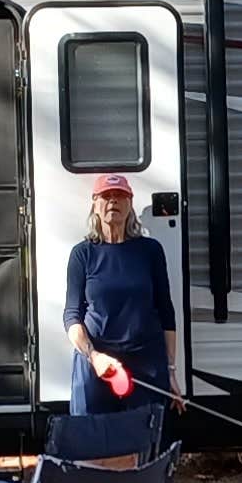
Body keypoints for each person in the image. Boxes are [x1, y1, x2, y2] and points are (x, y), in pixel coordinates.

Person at [62, 173, 178, 418]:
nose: (113, 201)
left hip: (146, 361)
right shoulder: (82, 254)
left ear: (130, 204)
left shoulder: (150, 250)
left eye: (120, 196)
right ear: (95, 203)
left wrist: (170, 372)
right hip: (98, 361)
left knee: (144, 442)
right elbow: (72, 316)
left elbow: (166, 311)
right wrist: (93, 356)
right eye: (106, 196)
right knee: (92, 443)